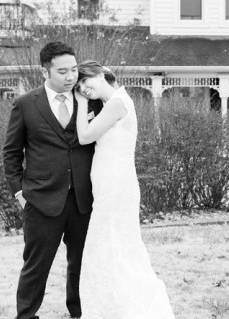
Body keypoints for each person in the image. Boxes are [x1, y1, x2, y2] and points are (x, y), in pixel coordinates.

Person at [3, 42, 102, 319]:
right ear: (44, 72)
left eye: (74, 69)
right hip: (41, 199)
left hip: (84, 199)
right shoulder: (25, 104)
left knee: (81, 263)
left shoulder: (91, 101)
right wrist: (19, 193)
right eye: (62, 71)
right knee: (36, 265)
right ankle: (26, 315)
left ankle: (79, 312)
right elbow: (11, 153)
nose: (71, 76)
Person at [74, 60, 176, 319]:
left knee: (113, 243)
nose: (83, 88)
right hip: (111, 184)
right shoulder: (112, 103)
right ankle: (114, 305)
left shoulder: (117, 103)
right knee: (112, 244)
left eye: (85, 80)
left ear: (100, 74)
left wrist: (81, 102)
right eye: (79, 85)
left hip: (115, 184)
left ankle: (126, 305)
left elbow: (84, 136)